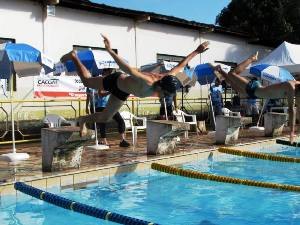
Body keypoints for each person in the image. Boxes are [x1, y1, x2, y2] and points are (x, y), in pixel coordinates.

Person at [61, 34, 209, 136]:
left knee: (106, 117)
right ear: (160, 87)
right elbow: (128, 69)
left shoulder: (169, 77)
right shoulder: (147, 80)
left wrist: (197, 51)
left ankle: (82, 120)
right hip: (116, 80)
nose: (163, 97)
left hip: (122, 92)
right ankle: (74, 56)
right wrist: (110, 51)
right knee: (87, 82)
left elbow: (182, 64)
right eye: (164, 94)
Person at [214, 52, 300, 143]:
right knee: (232, 74)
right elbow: (291, 110)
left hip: (254, 94)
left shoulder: (295, 89)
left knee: (232, 83)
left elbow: (296, 109)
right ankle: (252, 59)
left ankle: (220, 70)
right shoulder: (290, 86)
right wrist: (291, 132)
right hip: (254, 88)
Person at [86, 68, 130, 147]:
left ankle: (123, 140)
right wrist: (110, 91)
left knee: (120, 120)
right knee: (103, 123)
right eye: (108, 71)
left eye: (110, 71)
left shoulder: (112, 81)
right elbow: (100, 94)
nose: (110, 72)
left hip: (111, 105)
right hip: (100, 106)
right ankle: (104, 140)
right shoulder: (102, 82)